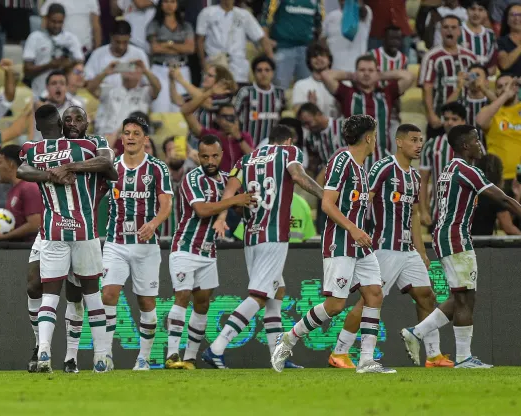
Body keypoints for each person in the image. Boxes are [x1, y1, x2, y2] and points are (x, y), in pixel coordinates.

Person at [400, 124, 521, 369]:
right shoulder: (467, 170)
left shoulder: (449, 169)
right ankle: (462, 358)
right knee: (465, 299)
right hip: (455, 237)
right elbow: (503, 198)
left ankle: (417, 332)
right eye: (476, 141)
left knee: (462, 295)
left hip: (446, 235)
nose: (480, 145)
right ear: (464, 146)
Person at [270, 115, 395, 374]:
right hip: (340, 241)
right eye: (375, 135)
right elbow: (326, 204)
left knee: (374, 294)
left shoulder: (361, 167)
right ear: (369, 137)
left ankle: (366, 360)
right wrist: (352, 228)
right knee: (335, 306)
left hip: (359, 244)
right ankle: (289, 338)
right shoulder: (342, 160)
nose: (376, 140)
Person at [328, 124, 453, 369]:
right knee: (368, 301)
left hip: (408, 250)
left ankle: (434, 355)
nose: (419, 145)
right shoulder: (383, 167)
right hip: (384, 247)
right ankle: (340, 351)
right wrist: (357, 232)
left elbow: (415, 215)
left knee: (426, 296)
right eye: (414, 140)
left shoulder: (415, 176)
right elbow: (365, 198)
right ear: (399, 142)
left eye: (421, 140)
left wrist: (422, 251)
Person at [202, 125, 325, 369]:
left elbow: (228, 191)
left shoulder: (245, 159)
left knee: (277, 291)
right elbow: (299, 177)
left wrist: (221, 216)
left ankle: (278, 357)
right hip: (273, 235)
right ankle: (216, 348)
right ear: (289, 140)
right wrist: (327, 196)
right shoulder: (289, 152)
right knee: (259, 295)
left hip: (252, 235)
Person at [17, 104, 117, 373]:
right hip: (55, 228)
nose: (72, 123)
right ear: (60, 122)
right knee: (35, 284)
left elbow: (111, 168)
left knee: (74, 294)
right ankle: (41, 347)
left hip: (78, 224)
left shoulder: (95, 143)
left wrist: (67, 167)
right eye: (68, 119)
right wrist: (54, 173)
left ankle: (71, 356)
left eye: (78, 119)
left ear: (87, 122)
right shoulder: (40, 148)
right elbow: (22, 171)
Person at [164, 135, 255, 370]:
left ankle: (190, 357)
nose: (210, 160)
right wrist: (234, 200)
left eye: (215, 156)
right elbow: (202, 210)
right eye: (205, 156)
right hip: (185, 246)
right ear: (199, 157)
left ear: (222, 155)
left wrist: (239, 202)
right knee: (182, 296)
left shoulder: (227, 181)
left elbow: (242, 202)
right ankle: (172, 354)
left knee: (202, 303)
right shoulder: (191, 178)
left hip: (209, 251)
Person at [100, 117, 173, 372]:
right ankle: (105, 356)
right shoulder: (110, 168)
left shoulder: (157, 168)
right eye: (126, 133)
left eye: (136, 133)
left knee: (146, 304)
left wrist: (153, 223)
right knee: (108, 295)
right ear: (122, 138)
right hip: (115, 243)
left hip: (146, 246)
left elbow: (166, 206)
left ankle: (144, 358)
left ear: (145, 139)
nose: (130, 137)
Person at [321, 55, 415, 171]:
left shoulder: (387, 93)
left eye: (371, 70)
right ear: (356, 72)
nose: (366, 74)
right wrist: (351, 76)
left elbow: (408, 76)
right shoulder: (347, 93)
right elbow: (326, 75)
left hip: (382, 160)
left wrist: (380, 76)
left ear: (377, 72)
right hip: (352, 162)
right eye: (362, 70)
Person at [419, 15, 477, 139]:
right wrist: (431, 115)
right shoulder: (432, 56)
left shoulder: (470, 57)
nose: (449, 30)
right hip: (441, 119)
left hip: (464, 118)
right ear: (441, 31)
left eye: (453, 27)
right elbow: (427, 88)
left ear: (459, 31)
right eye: (446, 27)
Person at [195, 0, 274, 84]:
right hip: (214, 65)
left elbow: (261, 38)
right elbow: (199, 40)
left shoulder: (244, 15)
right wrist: (203, 64)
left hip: (238, 69)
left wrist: (271, 63)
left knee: (238, 94)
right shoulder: (207, 13)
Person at [182, 82, 255, 173]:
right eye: (225, 117)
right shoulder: (210, 136)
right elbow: (186, 112)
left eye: (232, 117)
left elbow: (254, 160)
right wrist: (208, 93)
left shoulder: (244, 136)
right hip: (216, 183)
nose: (229, 120)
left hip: (239, 183)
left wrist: (238, 138)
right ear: (218, 119)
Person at [419, 102, 467, 229]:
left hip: (467, 215)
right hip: (438, 214)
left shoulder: (474, 146)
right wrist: (423, 211)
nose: (449, 123)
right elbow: (422, 181)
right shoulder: (431, 145)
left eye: (454, 119)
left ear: (463, 121)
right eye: (446, 119)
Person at [23, 3, 85, 97]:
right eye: (53, 21)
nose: (56, 25)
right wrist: (49, 65)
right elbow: (27, 70)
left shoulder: (71, 39)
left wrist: (67, 64)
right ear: (46, 19)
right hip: (39, 94)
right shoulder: (35, 37)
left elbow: (79, 65)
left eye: (60, 22)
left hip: (65, 96)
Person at [260, 0, 324, 89]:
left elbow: (320, 24)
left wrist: (319, 52)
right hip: (283, 48)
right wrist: (268, 48)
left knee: (308, 90)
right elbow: (264, 20)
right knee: (279, 90)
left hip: (307, 51)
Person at [147, 0, 195, 113]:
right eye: (166, 2)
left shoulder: (186, 26)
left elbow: (190, 49)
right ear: (161, 4)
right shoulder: (154, 25)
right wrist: (179, 46)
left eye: (173, 1)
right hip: (160, 69)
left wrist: (167, 44)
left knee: (181, 109)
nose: (169, 5)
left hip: (181, 69)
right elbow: (155, 49)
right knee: (160, 109)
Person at [93, 60, 161, 136]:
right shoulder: (109, 90)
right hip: (106, 136)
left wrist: (146, 71)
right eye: (128, 66)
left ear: (141, 74)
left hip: (133, 139)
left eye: (135, 67)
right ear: (121, 72)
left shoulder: (145, 93)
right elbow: (91, 88)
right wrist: (105, 73)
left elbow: (157, 87)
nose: (131, 70)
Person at [84, 20, 151, 97]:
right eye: (117, 42)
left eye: (125, 42)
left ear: (130, 37)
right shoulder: (98, 54)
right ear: (111, 37)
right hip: (106, 99)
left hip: (133, 100)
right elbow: (88, 82)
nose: (121, 46)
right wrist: (104, 74)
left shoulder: (139, 54)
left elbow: (147, 84)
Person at [234, 56, 286, 147]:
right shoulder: (245, 92)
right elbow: (233, 116)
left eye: (267, 70)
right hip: (247, 148)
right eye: (259, 70)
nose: (263, 74)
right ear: (254, 73)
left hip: (272, 149)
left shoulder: (280, 93)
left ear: (273, 73)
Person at [470, 154, 521, 236]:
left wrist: (518, 195)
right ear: (498, 174)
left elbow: (503, 220)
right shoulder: (494, 194)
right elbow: (508, 227)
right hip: (480, 245)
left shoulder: (470, 190)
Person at [29, 70, 85, 141]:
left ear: (66, 87)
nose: (58, 86)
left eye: (62, 83)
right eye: (54, 83)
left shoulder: (77, 106)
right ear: (47, 87)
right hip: (42, 148)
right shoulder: (38, 104)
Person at [291, 42, 339, 119]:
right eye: (314, 56)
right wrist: (311, 106)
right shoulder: (300, 85)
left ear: (329, 59)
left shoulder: (341, 84)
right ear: (309, 61)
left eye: (322, 55)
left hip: (338, 128)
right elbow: (298, 115)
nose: (318, 58)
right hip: (311, 130)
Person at [322, 0, 373, 73]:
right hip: (334, 70)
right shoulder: (331, 16)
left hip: (356, 71)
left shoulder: (364, 12)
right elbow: (322, 39)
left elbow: (363, 11)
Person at [459, 0, 498, 74]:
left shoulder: (490, 35)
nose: (476, 13)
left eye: (480, 9)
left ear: (486, 13)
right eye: (473, 9)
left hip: (482, 82)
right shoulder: (457, 32)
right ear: (467, 10)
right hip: (461, 81)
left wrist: (481, 78)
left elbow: (492, 67)